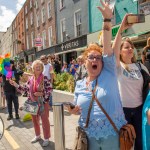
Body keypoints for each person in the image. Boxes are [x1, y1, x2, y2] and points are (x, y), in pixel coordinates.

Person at [67, 1, 126, 149]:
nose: (95, 60)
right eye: (91, 57)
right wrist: (72, 110)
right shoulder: (80, 84)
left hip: (111, 136)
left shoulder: (109, 72)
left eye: (98, 57)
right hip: (88, 138)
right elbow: (76, 108)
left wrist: (107, 19)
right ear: (85, 62)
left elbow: (107, 47)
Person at [112, 14, 150, 150]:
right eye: (126, 47)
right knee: (125, 144)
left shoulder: (141, 67)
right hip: (123, 112)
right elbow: (113, 50)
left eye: (131, 47)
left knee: (141, 142)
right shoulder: (118, 67)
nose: (129, 49)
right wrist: (121, 28)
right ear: (121, 52)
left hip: (140, 110)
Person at [9, 60, 52, 147]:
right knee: (35, 121)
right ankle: (37, 135)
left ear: (42, 68)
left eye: (39, 66)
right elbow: (25, 89)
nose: (38, 68)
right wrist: (16, 85)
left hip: (42, 102)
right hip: (32, 102)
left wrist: (42, 94)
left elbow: (50, 89)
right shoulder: (31, 79)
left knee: (44, 121)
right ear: (33, 69)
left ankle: (46, 138)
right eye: (36, 67)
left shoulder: (45, 78)